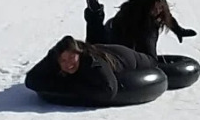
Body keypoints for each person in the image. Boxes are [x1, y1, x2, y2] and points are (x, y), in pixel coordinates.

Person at [25, 35, 159, 106]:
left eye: (72, 58)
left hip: (126, 58)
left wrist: (71, 85)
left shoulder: (91, 62)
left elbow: (109, 90)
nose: (68, 64)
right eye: (63, 61)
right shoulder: (53, 58)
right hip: (102, 48)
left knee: (153, 62)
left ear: (79, 54)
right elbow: (31, 80)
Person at [102, 0, 197, 59]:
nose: (158, 11)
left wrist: (179, 31)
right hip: (115, 39)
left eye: (160, 8)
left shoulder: (154, 16)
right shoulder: (129, 17)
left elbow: (168, 18)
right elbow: (124, 44)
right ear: (146, 6)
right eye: (154, 8)